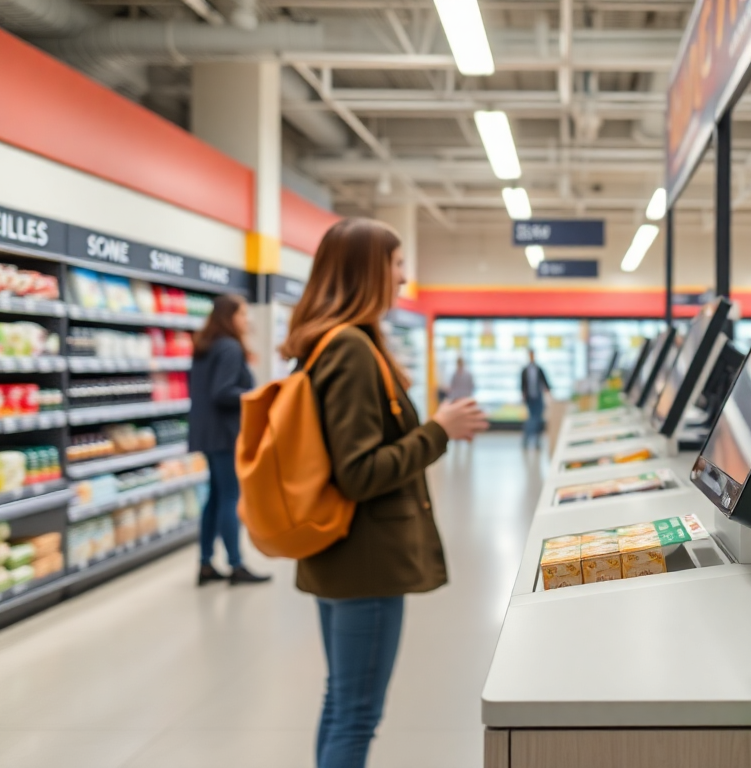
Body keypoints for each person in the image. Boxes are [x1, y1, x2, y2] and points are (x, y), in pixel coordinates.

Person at [278, 218, 488, 768]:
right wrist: (439, 430)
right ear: (367, 270)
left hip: (338, 553)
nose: (404, 276)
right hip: (364, 561)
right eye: (396, 264)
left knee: (341, 703)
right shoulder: (350, 348)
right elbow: (359, 472)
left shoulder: (329, 342)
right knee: (356, 715)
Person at [188, 294, 271, 587]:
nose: (246, 320)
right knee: (230, 497)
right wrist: (256, 396)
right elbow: (222, 392)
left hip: (206, 433)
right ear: (229, 317)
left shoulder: (206, 345)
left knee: (214, 496)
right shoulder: (230, 347)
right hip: (225, 434)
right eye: (242, 314)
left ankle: (206, 563)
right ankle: (236, 565)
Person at [520, 349, 551, 449]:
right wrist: (523, 395)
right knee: (532, 418)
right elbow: (522, 385)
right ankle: (526, 439)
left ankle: (536, 440)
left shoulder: (538, 369)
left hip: (538, 397)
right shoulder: (525, 370)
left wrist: (548, 392)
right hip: (530, 398)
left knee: (537, 418)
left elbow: (545, 382)